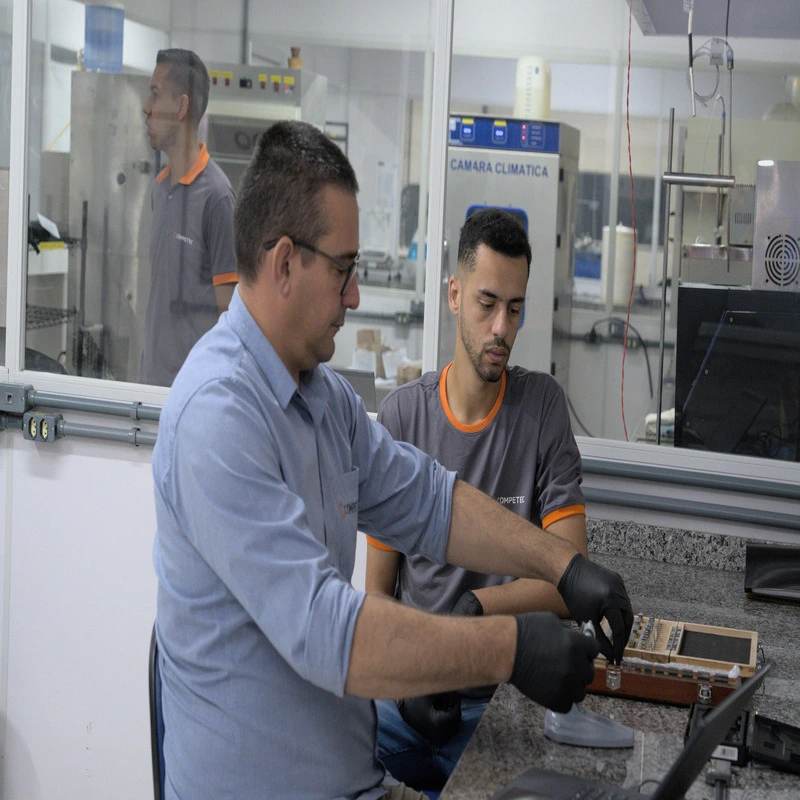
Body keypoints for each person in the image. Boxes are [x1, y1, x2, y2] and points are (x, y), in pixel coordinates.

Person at [152, 120, 634, 800]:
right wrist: (510, 648)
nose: (354, 296)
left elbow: (430, 501)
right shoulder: (218, 417)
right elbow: (328, 631)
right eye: (344, 270)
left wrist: (566, 567)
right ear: (285, 263)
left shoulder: (321, 397)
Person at [365, 207, 588, 791]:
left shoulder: (541, 409)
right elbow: (376, 593)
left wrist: (476, 610)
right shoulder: (402, 417)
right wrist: (408, 678)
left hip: (496, 699)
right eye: (487, 304)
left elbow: (569, 574)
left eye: (515, 309)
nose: (501, 328)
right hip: (407, 696)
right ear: (454, 295)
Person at [139, 48, 237, 387]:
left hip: (193, 392)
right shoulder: (159, 188)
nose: (146, 107)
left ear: (181, 107)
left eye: (155, 95)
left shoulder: (217, 198)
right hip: (150, 387)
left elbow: (230, 320)